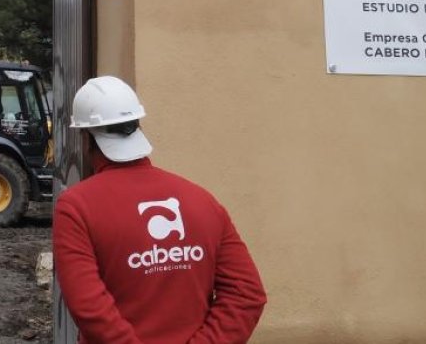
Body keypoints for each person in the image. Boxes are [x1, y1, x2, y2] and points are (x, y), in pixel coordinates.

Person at [53, 76, 266, 344]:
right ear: (137, 126)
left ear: (86, 138)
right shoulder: (202, 200)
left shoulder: (76, 207)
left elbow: (90, 308)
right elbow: (246, 294)